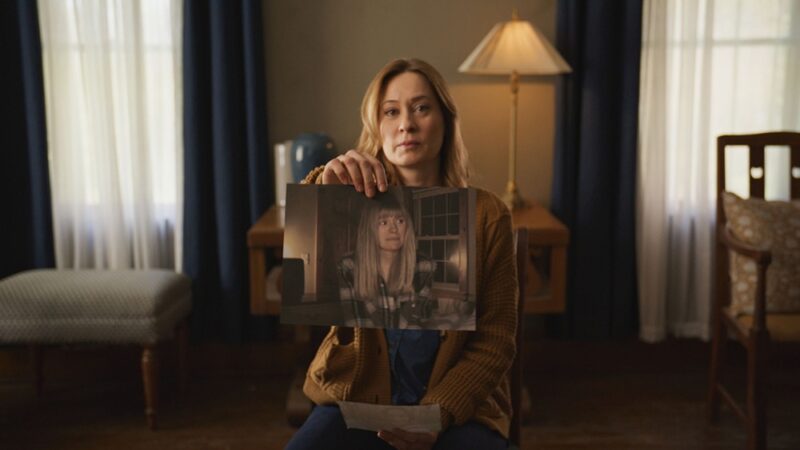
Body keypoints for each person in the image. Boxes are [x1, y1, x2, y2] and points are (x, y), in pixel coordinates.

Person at [285, 58, 517, 450]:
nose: (406, 124)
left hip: (458, 408)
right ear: (376, 126)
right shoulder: (350, 201)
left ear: (446, 120)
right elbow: (302, 265)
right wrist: (324, 184)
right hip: (354, 399)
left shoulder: (487, 215)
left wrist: (438, 413)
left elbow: (495, 342)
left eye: (421, 108)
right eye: (391, 111)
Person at [338, 192, 436, 329]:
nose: (394, 229)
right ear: (369, 229)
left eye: (400, 221)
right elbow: (356, 325)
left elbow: (419, 323)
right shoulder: (349, 267)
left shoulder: (424, 266)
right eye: (383, 222)